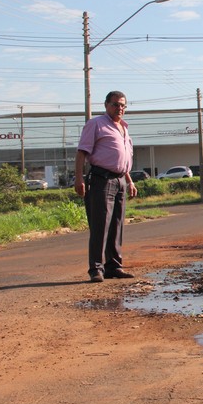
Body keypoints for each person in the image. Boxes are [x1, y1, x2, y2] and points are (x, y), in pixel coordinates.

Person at [74, 91, 138, 282]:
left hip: (120, 181)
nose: (120, 109)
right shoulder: (96, 124)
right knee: (100, 225)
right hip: (101, 179)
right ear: (106, 105)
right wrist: (79, 179)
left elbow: (122, 159)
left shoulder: (124, 128)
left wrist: (129, 180)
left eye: (123, 106)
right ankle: (96, 268)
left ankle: (113, 266)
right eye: (116, 105)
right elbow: (81, 153)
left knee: (117, 225)